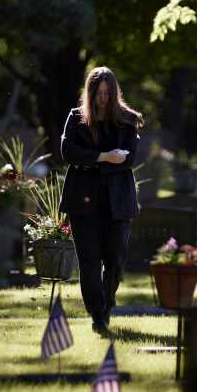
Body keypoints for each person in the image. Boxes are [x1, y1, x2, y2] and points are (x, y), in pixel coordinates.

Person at [59, 67, 143, 333]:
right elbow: (67, 151)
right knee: (90, 260)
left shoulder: (128, 119)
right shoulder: (76, 118)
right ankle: (98, 313)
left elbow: (129, 157)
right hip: (83, 199)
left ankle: (106, 303)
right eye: (99, 93)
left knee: (116, 258)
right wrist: (104, 157)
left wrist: (92, 159)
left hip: (117, 198)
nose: (104, 98)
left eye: (108, 93)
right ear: (91, 92)